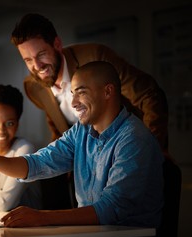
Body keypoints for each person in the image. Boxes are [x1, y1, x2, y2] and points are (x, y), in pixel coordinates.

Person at [0, 62, 164, 237]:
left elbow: (109, 210)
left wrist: (42, 217)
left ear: (108, 92)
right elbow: (37, 164)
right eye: (72, 93)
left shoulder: (134, 138)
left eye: (81, 92)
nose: (73, 103)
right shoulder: (81, 131)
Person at [11, 13, 169, 153]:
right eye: (28, 60)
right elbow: (58, 127)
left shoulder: (95, 57)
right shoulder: (33, 87)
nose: (37, 66)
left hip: (129, 147)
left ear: (57, 44)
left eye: (41, 54)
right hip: (88, 167)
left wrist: (151, 151)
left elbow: (148, 95)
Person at [0, 84, 42, 212]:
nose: (1, 130)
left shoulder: (25, 149)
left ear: (17, 123)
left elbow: (4, 204)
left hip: (29, 229)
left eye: (9, 123)